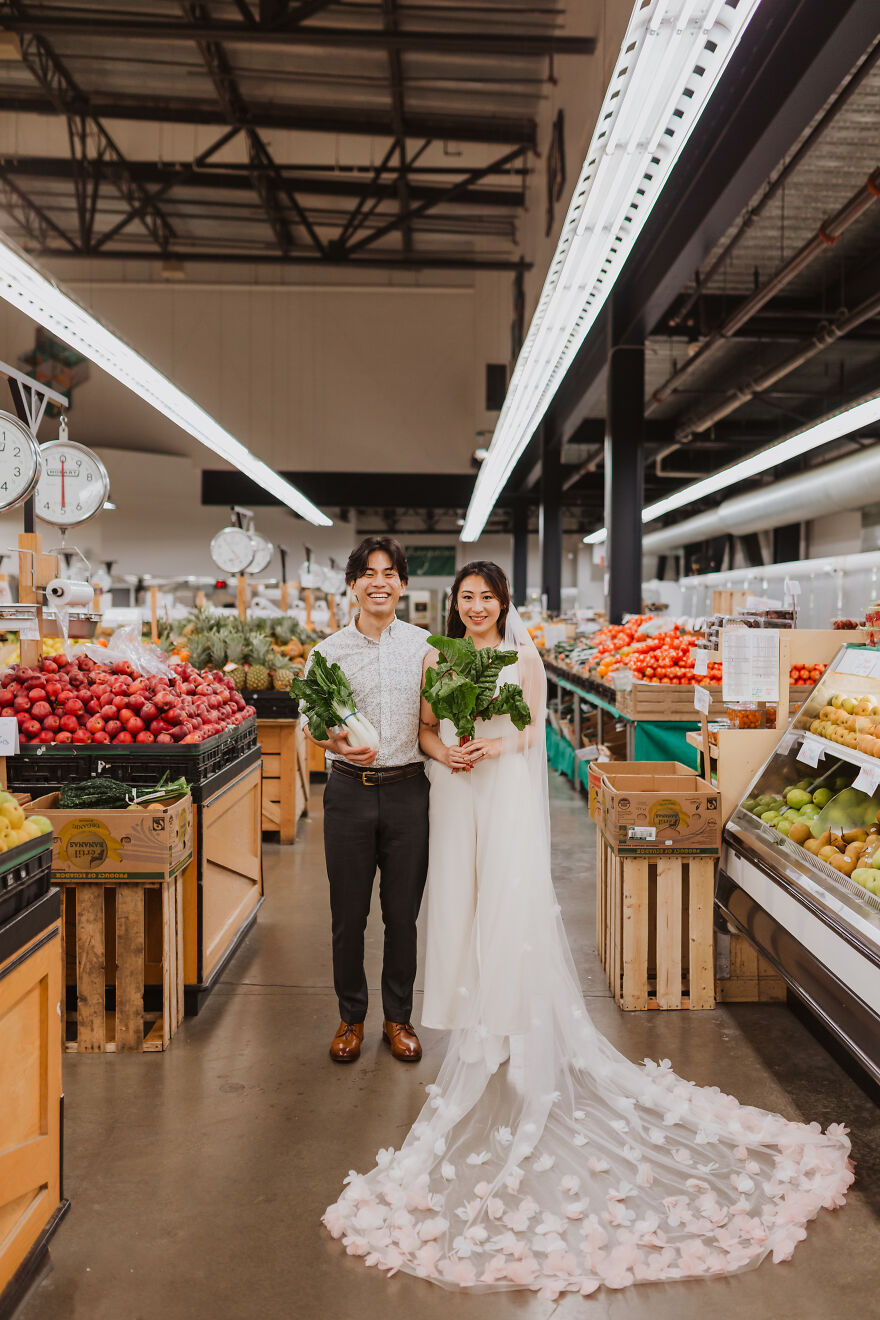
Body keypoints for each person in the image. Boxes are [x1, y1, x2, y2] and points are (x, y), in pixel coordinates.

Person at [323, 562, 853, 1298]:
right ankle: (464, 1005)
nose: (475, 607)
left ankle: (510, 1011)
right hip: (452, 788)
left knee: (506, 897)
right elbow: (422, 722)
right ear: (453, 605)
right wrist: (447, 749)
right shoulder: (438, 655)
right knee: (453, 902)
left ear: (504, 603)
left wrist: (492, 748)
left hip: (497, 787)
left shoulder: (523, 654)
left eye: (486, 597)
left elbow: (532, 726)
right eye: (465, 598)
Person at [306, 536, 430, 1065]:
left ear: (402, 584)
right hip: (348, 794)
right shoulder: (326, 652)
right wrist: (336, 742)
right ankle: (351, 1017)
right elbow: (312, 724)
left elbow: (435, 720)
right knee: (347, 915)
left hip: (408, 791)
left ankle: (398, 1018)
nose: (379, 581)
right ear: (353, 585)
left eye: (390, 572)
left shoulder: (427, 646)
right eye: (368, 573)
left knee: (402, 916)